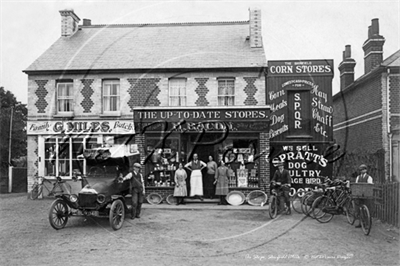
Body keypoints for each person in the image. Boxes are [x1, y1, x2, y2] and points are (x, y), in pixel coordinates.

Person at [354, 164, 374, 228]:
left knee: (367, 209)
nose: (362, 171)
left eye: (363, 169)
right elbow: (356, 185)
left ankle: (368, 224)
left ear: (366, 170)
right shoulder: (358, 177)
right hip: (360, 195)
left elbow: (370, 186)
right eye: (361, 170)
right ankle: (361, 223)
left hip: (367, 196)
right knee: (360, 209)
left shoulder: (369, 177)